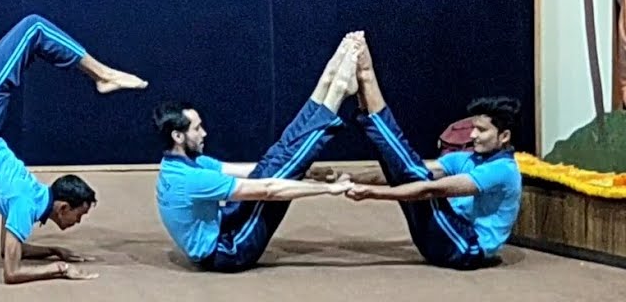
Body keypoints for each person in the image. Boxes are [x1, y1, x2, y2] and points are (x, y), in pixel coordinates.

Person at [0, 14, 148, 284]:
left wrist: (53, 251)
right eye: (78, 215)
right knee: (34, 29)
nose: (77, 223)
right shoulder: (27, 202)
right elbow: (12, 272)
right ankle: (103, 75)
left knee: (34, 32)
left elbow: (7, 255)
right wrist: (59, 267)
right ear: (62, 208)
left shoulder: (29, 201)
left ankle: (102, 75)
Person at [151, 34, 358, 272]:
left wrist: (307, 172)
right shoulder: (191, 179)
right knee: (282, 171)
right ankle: (337, 94)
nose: (204, 133)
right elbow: (269, 190)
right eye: (197, 129)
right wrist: (329, 189)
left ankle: (330, 80)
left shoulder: (183, 163)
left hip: (222, 225)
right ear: (178, 136)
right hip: (228, 250)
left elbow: (256, 169)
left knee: (275, 160)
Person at [339, 32, 521, 269]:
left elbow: (430, 189)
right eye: (473, 128)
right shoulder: (467, 159)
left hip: (466, 248)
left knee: (413, 175)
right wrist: (350, 178)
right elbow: (415, 171)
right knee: (405, 169)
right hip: (447, 238)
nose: (472, 135)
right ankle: (364, 91)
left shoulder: (503, 170)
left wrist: (373, 194)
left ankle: (366, 76)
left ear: (504, 136)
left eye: (481, 130)